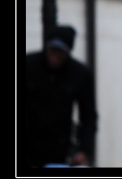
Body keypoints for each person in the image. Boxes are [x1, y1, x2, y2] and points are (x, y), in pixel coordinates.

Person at [25, 25, 97, 167]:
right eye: (52, 51)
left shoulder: (79, 74)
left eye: (60, 53)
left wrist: (84, 149)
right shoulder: (29, 66)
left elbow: (88, 116)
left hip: (58, 149)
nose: (55, 57)